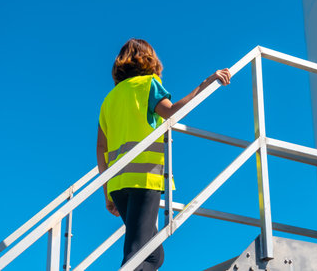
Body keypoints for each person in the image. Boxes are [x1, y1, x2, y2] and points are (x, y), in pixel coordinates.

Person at [96, 38, 231, 270]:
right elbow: (172, 112)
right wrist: (206, 83)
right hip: (145, 178)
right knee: (138, 253)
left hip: (118, 185)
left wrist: (107, 190)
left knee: (155, 256)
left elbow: (101, 148)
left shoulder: (109, 100)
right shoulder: (149, 84)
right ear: (149, 58)